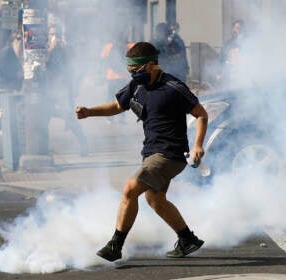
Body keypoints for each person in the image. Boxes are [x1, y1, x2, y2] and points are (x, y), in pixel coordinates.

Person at [76, 42, 208, 261]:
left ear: (150, 65)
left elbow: (201, 114)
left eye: (135, 70)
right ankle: (187, 239)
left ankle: (115, 245)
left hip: (170, 154)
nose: (132, 75)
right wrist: (90, 112)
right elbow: (117, 106)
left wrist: (198, 144)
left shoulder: (174, 87)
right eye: (129, 71)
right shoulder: (136, 86)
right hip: (152, 152)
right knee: (155, 199)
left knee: (130, 189)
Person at [46, 24, 87, 157]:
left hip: (63, 88)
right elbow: (43, 63)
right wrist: (51, 48)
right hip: (49, 88)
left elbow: (73, 65)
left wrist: (64, 49)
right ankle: (43, 147)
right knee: (44, 118)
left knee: (70, 117)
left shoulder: (65, 48)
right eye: (52, 34)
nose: (55, 37)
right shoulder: (46, 48)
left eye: (57, 34)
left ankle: (83, 145)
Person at [100, 32, 134, 124]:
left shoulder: (108, 46)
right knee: (123, 98)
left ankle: (109, 118)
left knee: (110, 97)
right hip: (124, 76)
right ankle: (122, 118)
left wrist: (102, 74)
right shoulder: (131, 46)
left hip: (111, 76)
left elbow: (103, 60)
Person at [218, 19, 246, 85]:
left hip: (243, 77)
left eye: (239, 28)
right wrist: (219, 73)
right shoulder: (228, 44)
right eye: (236, 28)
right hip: (229, 76)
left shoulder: (247, 44)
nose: (237, 30)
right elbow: (221, 59)